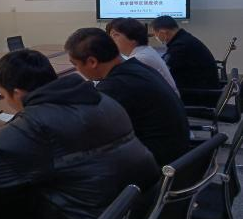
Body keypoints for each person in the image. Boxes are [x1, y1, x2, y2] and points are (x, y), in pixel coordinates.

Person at [0, 50, 159, 219]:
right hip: (131, 212)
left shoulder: (36, 124)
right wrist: (11, 130)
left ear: (17, 93)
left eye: (2, 94)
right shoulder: (99, 98)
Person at [65, 28, 189, 166]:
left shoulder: (115, 86)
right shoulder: (137, 68)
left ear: (92, 62)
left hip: (156, 166)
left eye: (75, 64)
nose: (77, 70)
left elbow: (87, 132)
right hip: (180, 158)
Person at [106, 18, 179, 96]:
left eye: (115, 35)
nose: (111, 40)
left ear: (133, 38)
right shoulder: (145, 51)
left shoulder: (141, 59)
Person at [150, 15, 220, 92]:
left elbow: (164, 69)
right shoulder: (184, 39)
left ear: (163, 33)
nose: (156, 37)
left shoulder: (180, 46)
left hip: (198, 93)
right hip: (202, 87)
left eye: (155, 34)